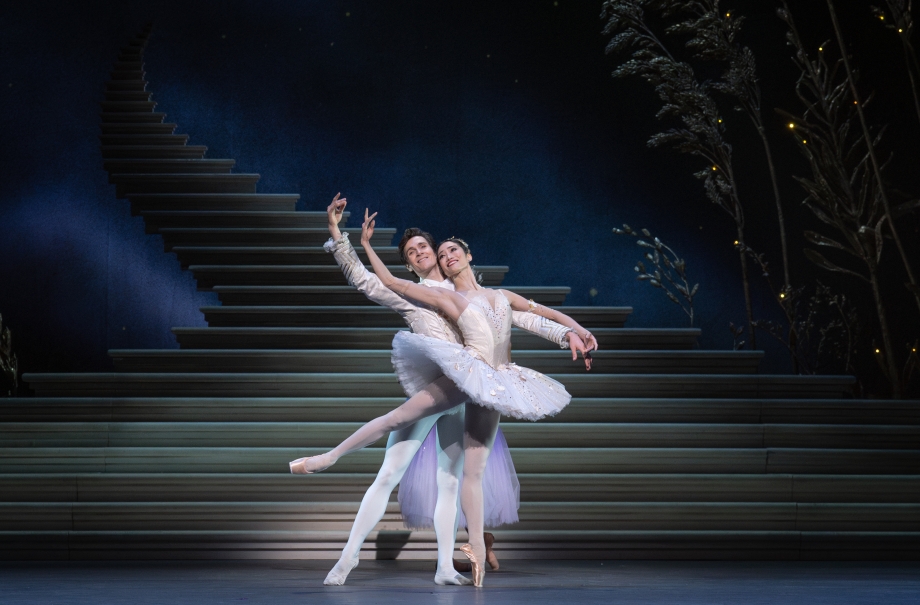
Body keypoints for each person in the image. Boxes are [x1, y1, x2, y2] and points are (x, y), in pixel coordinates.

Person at [292, 206, 597, 587]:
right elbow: (364, 279)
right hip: (434, 388)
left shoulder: (469, 292)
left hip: (466, 391)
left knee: (451, 480)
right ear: (408, 265)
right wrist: (338, 235)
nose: (420, 253)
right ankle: (347, 557)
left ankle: (445, 567)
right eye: (411, 252)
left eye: (424, 247)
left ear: (440, 254)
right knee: (389, 472)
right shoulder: (411, 295)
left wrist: (567, 334)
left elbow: (522, 317)